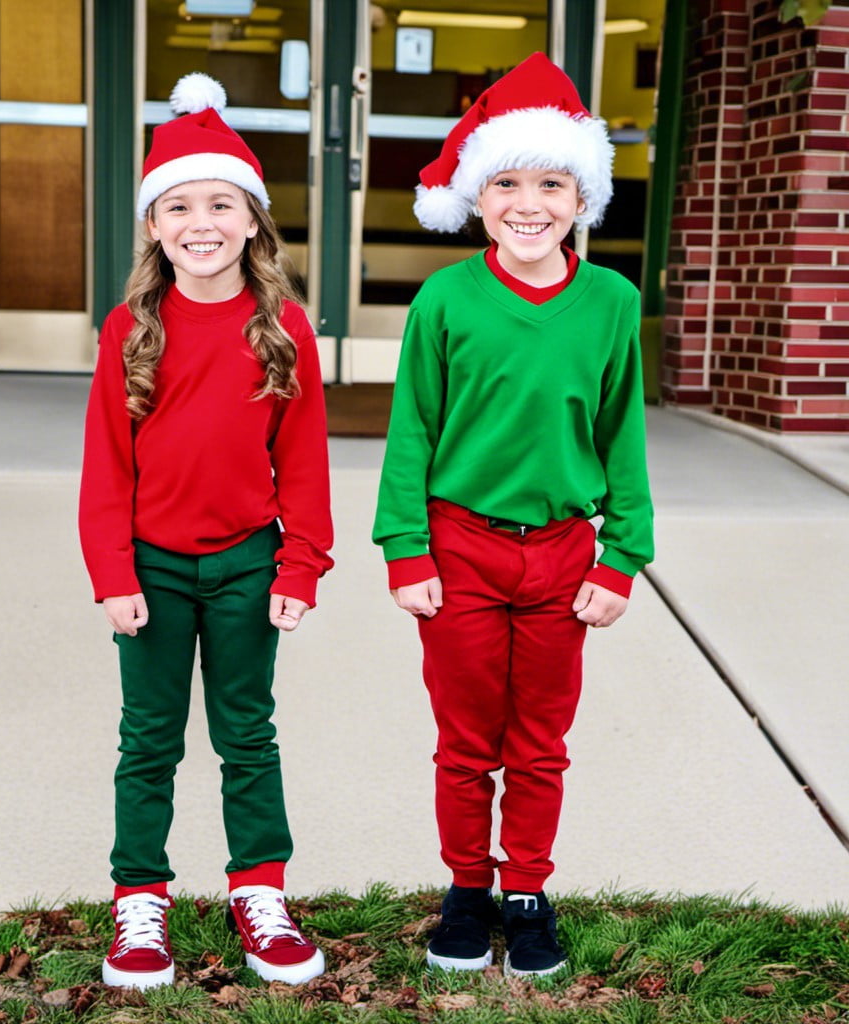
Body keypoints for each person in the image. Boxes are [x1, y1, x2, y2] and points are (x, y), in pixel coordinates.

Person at [373, 52, 654, 978]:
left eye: (551, 182)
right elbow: (410, 431)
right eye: (505, 182)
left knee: (539, 740)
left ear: (583, 199)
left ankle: (527, 890)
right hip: (460, 547)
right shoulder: (447, 298)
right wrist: (407, 548)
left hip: (565, 555)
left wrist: (623, 557)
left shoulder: (611, 302)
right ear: (476, 195)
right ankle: (466, 887)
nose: (528, 203)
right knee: (465, 739)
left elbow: (623, 436)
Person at [79, 72, 333, 991]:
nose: (201, 221)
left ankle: (258, 890)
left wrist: (300, 565)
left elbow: (304, 463)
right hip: (149, 569)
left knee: (246, 734)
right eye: (178, 204)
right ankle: (139, 901)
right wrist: (113, 571)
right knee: (148, 739)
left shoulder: (285, 330)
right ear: (154, 225)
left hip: (244, 568)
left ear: (253, 220)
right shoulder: (128, 329)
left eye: (221, 203)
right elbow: (106, 466)